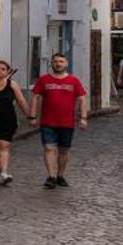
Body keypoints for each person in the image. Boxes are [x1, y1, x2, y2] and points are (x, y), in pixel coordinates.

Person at [30, 52, 89, 188]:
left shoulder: (73, 81)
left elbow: (82, 98)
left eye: (61, 61)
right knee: (49, 148)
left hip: (67, 122)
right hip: (47, 121)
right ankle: (51, 176)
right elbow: (36, 98)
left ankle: (60, 175)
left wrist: (83, 117)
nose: (58, 64)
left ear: (66, 64)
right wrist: (32, 116)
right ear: (51, 63)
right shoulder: (43, 80)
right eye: (55, 61)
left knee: (64, 151)